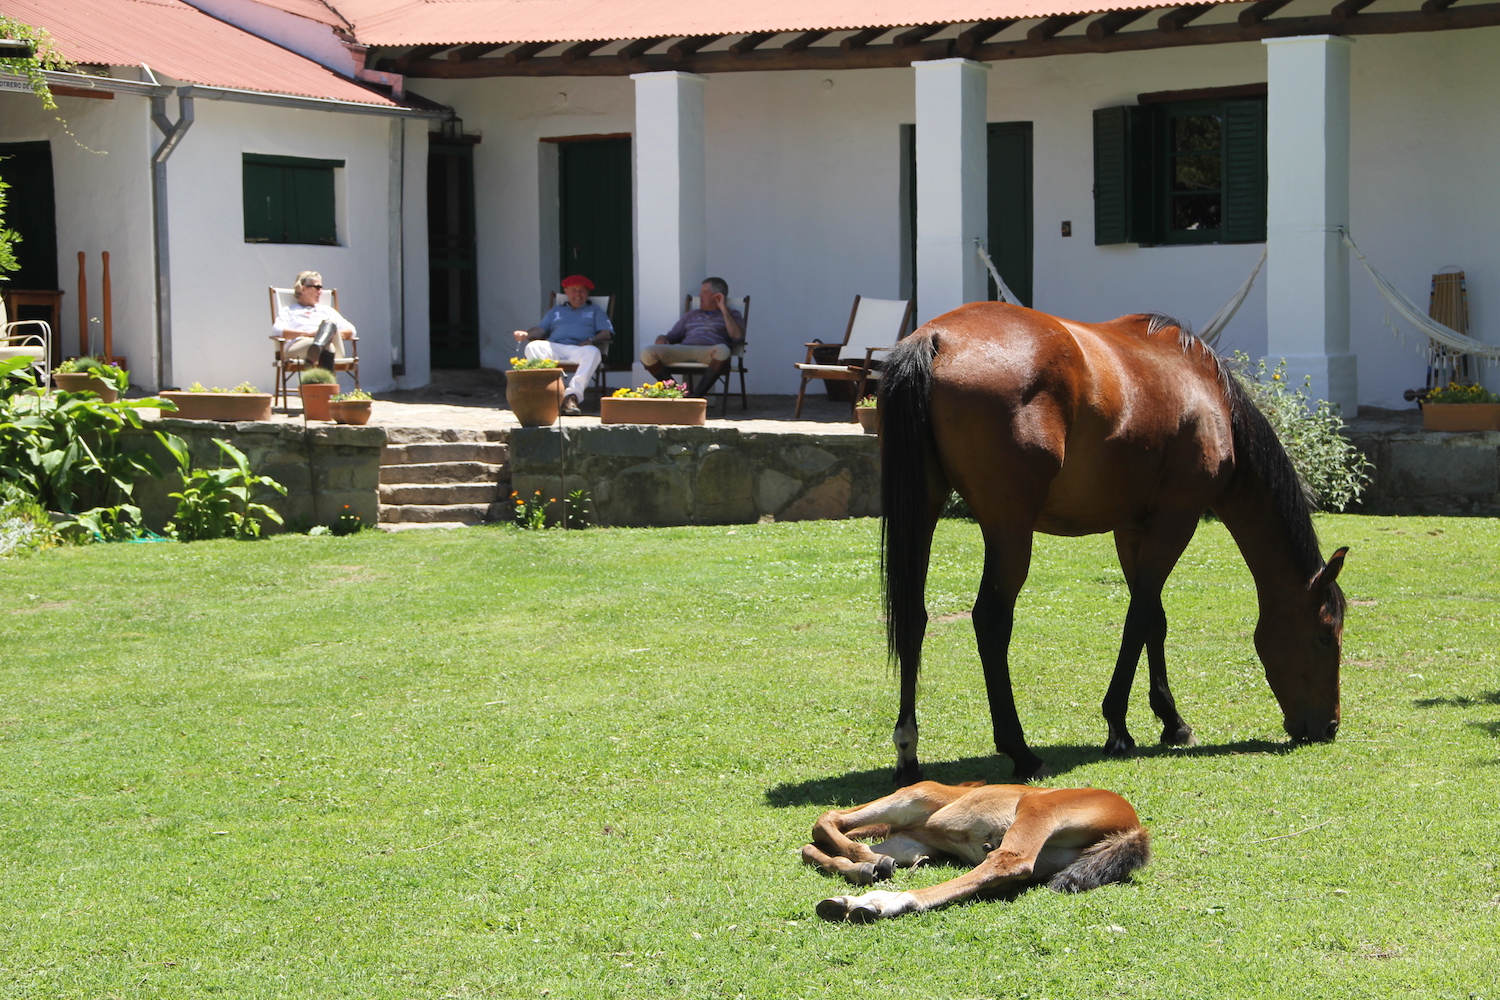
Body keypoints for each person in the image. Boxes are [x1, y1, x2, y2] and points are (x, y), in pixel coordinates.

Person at [513, 275, 613, 416]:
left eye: (581, 291)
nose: (577, 294)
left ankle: (571, 397)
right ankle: (546, 392)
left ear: (587, 293)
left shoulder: (595, 310)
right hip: (555, 347)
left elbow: (606, 333)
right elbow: (540, 329)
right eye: (573, 290)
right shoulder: (556, 311)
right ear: (566, 292)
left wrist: (591, 339)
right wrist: (526, 334)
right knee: (533, 347)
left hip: (579, 349)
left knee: (594, 352)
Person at [640, 277, 744, 397]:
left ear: (718, 296)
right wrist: (661, 338)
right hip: (685, 349)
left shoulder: (732, 314)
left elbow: (738, 337)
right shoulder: (691, 314)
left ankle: (696, 396)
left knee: (723, 350)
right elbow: (672, 336)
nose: (700, 295)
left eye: (704, 292)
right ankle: (677, 393)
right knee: (647, 352)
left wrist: (723, 309)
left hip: (709, 352)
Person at [272, 271, 355, 371]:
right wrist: (309, 334)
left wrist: (324, 333)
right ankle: (327, 384)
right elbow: (277, 330)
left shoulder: (326, 310)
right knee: (327, 346)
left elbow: (351, 330)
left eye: (321, 288)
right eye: (317, 287)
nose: (320, 291)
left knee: (330, 324)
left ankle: (318, 346)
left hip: (329, 348)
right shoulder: (289, 311)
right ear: (303, 289)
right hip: (299, 347)